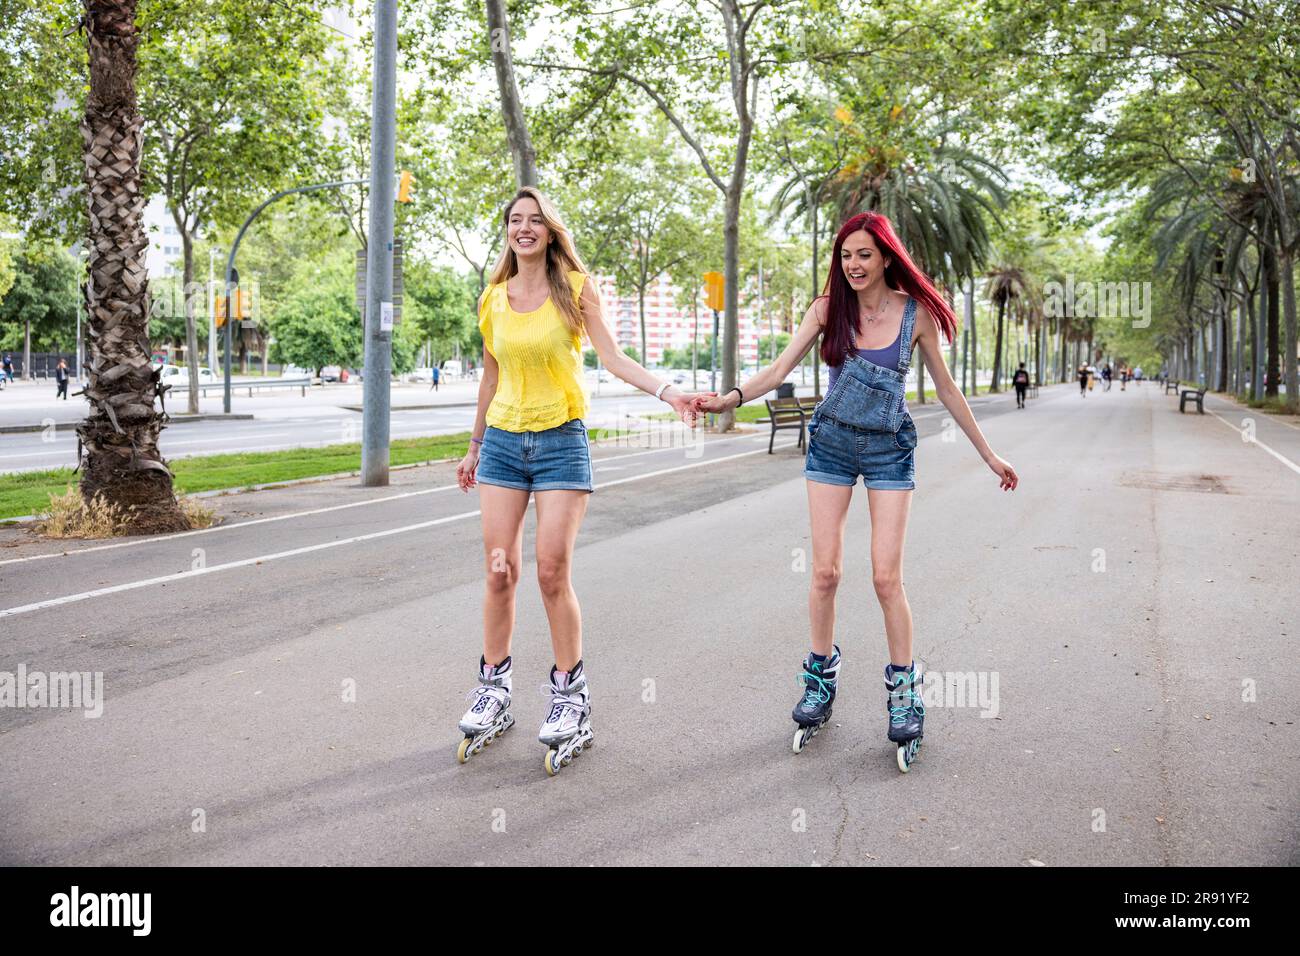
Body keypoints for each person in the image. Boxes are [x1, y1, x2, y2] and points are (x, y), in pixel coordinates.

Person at [694, 211, 1018, 773]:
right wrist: (730, 398)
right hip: (833, 445)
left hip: (890, 447)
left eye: (864, 254)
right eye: (846, 256)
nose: (853, 265)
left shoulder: (914, 317)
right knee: (825, 573)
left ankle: (904, 690)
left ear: (886, 257)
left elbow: (946, 389)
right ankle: (820, 677)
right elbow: (776, 370)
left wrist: (989, 454)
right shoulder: (827, 311)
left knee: (886, 577)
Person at [454, 186, 706, 776]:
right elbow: (490, 376)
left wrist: (669, 393)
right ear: (507, 232)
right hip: (502, 446)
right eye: (515, 220)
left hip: (561, 442)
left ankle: (570, 696)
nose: (524, 228)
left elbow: (614, 358)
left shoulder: (573, 289)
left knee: (549, 571)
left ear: (549, 231)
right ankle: (494, 687)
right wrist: (473, 447)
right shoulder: (492, 298)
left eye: (534, 220)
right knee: (499, 569)